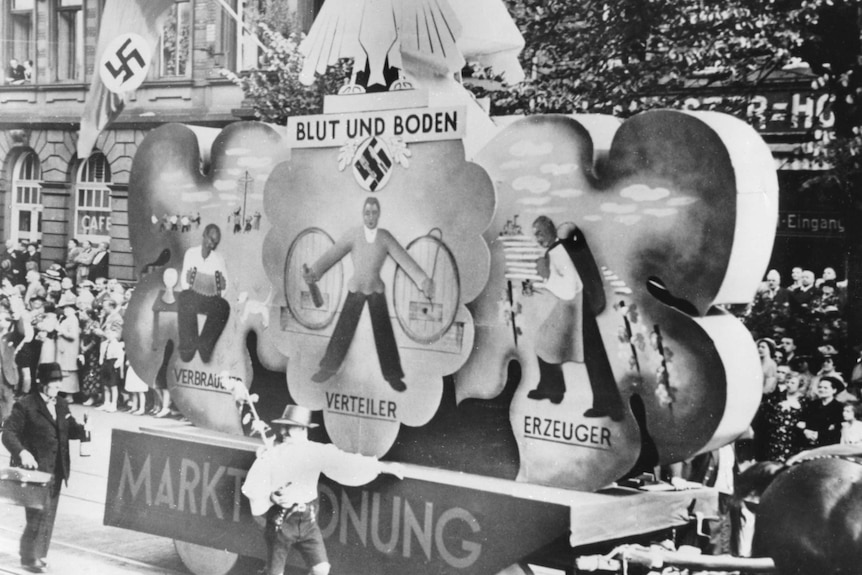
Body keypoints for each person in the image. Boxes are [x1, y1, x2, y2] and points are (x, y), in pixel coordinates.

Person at [241, 403, 403, 575]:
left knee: (322, 569)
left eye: (293, 428)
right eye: (284, 428)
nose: (285, 433)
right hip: (281, 523)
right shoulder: (272, 454)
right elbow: (254, 484)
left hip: (308, 522)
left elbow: (346, 462)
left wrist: (382, 467)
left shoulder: (315, 452)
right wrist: (272, 498)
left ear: (304, 430)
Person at [303, 197, 433, 392]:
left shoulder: (385, 237)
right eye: (367, 212)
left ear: (379, 214)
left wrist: (423, 280)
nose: (370, 217)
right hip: (356, 288)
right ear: (362, 214)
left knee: (384, 334)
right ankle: (328, 369)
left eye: (374, 212)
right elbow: (333, 253)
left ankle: (393, 376)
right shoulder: (353, 235)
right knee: (342, 331)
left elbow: (404, 259)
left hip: (376, 289)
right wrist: (314, 272)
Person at [525, 216, 625, 420]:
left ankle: (605, 404)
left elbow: (569, 288)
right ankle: (554, 388)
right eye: (535, 234)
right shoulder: (556, 250)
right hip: (574, 306)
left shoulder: (558, 252)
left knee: (589, 354)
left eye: (540, 232)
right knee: (547, 341)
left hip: (577, 307)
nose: (538, 238)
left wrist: (547, 276)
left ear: (550, 230)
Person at [2, 362, 89, 573]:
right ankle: (28, 557)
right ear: (42, 383)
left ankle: (39, 555)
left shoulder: (60, 404)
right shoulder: (26, 405)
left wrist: (83, 429)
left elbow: (68, 430)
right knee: (37, 515)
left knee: (48, 516)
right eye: (54, 383)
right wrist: (22, 452)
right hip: (34, 472)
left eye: (59, 382)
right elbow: (8, 433)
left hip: (57, 470)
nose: (58, 386)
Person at [177, 223, 230, 363]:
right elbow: (184, 283)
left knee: (224, 306)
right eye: (210, 238)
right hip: (193, 297)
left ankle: (205, 346)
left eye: (215, 242)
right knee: (184, 298)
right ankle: (188, 348)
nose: (211, 244)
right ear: (204, 235)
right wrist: (194, 281)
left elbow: (224, 288)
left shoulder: (219, 259)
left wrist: (218, 287)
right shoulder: (191, 253)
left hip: (210, 300)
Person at [798, 375, 846, 447]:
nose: (822, 390)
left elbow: (837, 429)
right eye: (820, 387)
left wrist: (818, 435)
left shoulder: (839, 407)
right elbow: (802, 421)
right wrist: (805, 431)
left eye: (825, 388)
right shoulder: (812, 404)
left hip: (827, 445)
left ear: (834, 390)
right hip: (807, 443)